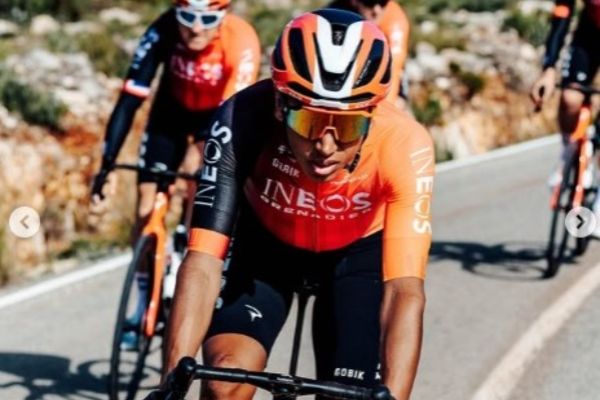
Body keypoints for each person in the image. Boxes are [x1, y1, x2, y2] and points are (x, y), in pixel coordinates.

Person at [158, 9, 434, 400]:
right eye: (309, 123)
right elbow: (203, 262)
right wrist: (171, 383)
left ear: (372, 114)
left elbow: (404, 291)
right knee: (223, 384)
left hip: (356, 258)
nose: (326, 146)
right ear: (279, 105)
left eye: (348, 126)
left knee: (347, 395)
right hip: (266, 251)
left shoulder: (405, 144)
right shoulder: (240, 118)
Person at [91, 0, 260, 349]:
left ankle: (186, 255)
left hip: (217, 117)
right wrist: (107, 164)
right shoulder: (162, 29)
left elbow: (235, 115)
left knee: (198, 184)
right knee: (145, 206)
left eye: (207, 19)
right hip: (169, 116)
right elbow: (130, 99)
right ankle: (142, 305)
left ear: (223, 16)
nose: (195, 28)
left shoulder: (241, 39)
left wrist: (200, 152)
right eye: (187, 17)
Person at [530, 0, 600, 235]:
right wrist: (548, 69)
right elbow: (562, 15)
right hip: (590, 35)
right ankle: (568, 154)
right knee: (570, 98)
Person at [329, 0, 411, 110]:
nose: (377, 10)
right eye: (370, 2)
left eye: (383, 2)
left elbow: (396, 67)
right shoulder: (334, 15)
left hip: (384, 91)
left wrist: (396, 102)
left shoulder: (395, 20)